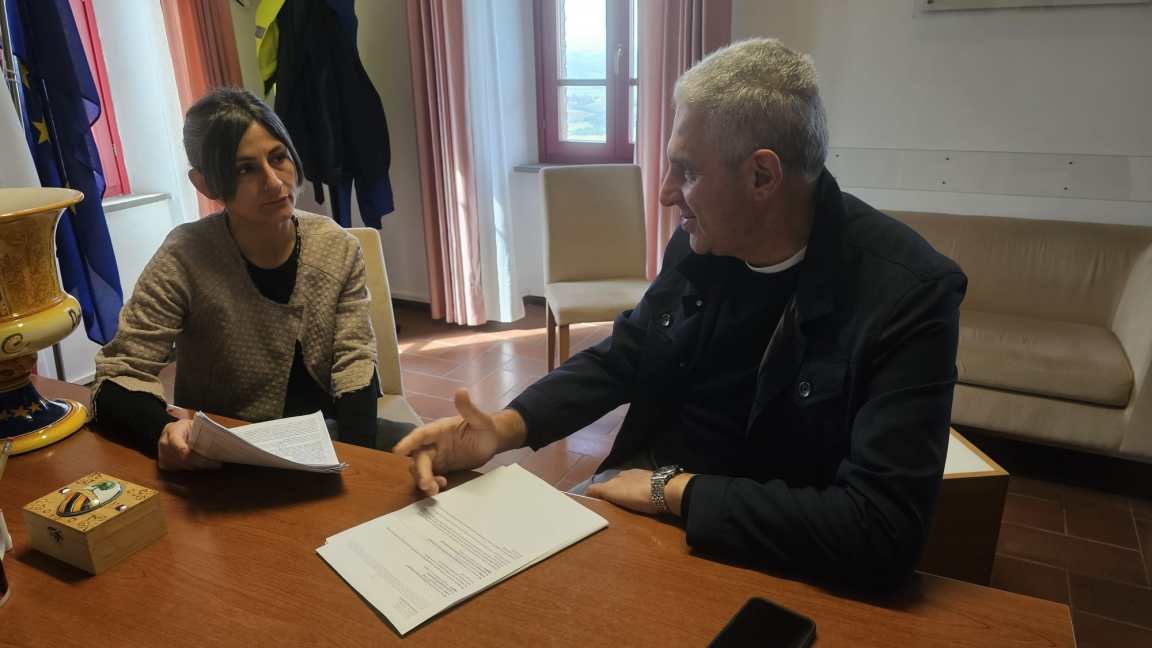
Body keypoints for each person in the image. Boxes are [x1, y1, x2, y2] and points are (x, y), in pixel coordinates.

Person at [394, 38, 967, 588]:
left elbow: (883, 531)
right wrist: (503, 429)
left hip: (770, 553)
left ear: (762, 176)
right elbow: (626, 354)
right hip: (641, 512)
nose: (666, 193)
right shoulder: (701, 244)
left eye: (687, 171)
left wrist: (671, 491)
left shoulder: (909, 294)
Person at [92, 88, 412, 471]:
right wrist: (163, 431)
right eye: (245, 169)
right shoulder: (185, 256)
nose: (275, 183)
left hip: (328, 435)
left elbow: (354, 361)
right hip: (228, 447)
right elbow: (118, 374)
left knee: (430, 454)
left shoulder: (336, 248)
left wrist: (359, 467)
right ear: (205, 184)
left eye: (278, 158)